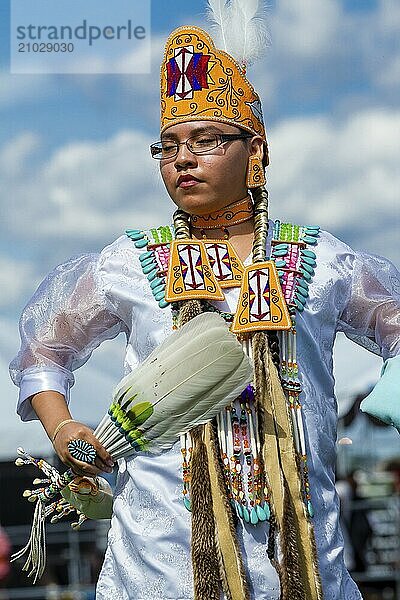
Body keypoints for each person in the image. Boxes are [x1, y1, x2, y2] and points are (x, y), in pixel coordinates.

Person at [9, 8, 400, 600]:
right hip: (160, 569)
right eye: (168, 145)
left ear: (256, 150)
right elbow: (46, 341)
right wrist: (61, 426)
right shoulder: (132, 263)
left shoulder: (323, 262)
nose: (182, 158)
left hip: (305, 564)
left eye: (206, 139)